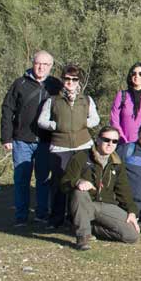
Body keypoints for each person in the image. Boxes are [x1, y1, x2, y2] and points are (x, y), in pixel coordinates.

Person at [0, 50, 61, 226]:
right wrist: (6, 138)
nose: (41, 67)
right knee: (21, 179)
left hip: (45, 141)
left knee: (43, 180)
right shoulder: (20, 84)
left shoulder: (55, 85)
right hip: (21, 140)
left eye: (46, 64)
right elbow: (7, 110)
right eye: (38, 63)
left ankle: (41, 214)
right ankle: (21, 217)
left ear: (51, 66)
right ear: (32, 63)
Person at [37, 64, 100, 228]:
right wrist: (56, 125)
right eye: (67, 78)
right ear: (62, 79)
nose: (70, 82)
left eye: (74, 79)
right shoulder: (53, 100)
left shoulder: (86, 100)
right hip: (60, 147)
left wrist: (82, 123)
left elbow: (95, 119)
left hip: (83, 145)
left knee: (82, 183)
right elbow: (41, 121)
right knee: (60, 184)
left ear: (79, 81)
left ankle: (78, 219)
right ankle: (56, 219)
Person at [62, 127, 139, 250]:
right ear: (97, 140)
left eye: (115, 141)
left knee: (131, 235)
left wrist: (132, 211)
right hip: (85, 203)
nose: (110, 144)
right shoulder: (81, 157)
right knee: (79, 192)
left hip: (106, 205)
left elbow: (124, 190)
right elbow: (64, 183)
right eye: (106, 140)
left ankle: (90, 227)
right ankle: (82, 237)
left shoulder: (117, 163)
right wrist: (78, 182)